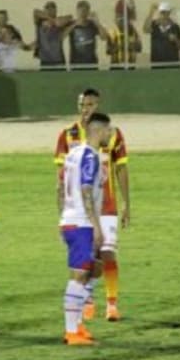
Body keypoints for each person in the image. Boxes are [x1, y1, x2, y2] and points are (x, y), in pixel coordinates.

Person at [55, 90, 129, 321]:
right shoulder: (68, 135)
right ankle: (86, 299)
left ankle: (111, 303)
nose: (85, 108)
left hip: (106, 205)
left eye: (90, 104)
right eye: (82, 104)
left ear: (98, 105)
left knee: (107, 252)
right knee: (87, 258)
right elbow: (60, 177)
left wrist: (127, 202)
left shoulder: (112, 134)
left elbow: (121, 169)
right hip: (80, 210)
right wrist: (63, 212)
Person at [58, 112, 113, 344]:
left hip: (70, 219)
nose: (110, 134)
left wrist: (62, 216)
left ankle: (78, 326)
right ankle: (71, 331)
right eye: (108, 130)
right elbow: (86, 190)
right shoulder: (90, 157)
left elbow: (60, 187)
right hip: (82, 222)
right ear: (98, 131)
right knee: (79, 276)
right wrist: (96, 225)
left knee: (90, 271)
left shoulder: (72, 154)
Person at [64, 1, 107, 69]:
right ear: (77, 11)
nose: (83, 14)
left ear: (88, 12)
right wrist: (74, 24)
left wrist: (97, 23)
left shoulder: (92, 24)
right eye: (81, 11)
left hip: (91, 63)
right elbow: (62, 37)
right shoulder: (72, 24)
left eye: (85, 11)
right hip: (76, 64)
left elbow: (104, 37)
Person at [144, 1, 180, 67]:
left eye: (165, 12)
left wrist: (176, 40)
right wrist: (151, 12)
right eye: (161, 12)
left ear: (169, 13)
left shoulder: (175, 27)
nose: (163, 14)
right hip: (157, 64)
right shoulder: (154, 25)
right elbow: (146, 29)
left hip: (173, 64)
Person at [33, 1, 71, 70]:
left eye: (52, 8)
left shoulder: (60, 21)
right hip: (45, 60)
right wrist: (51, 20)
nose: (50, 11)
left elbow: (70, 17)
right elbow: (36, 12)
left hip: (58, 60)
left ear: (56, 10)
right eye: (48, 9)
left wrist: (56, 22)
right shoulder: (40, 22)